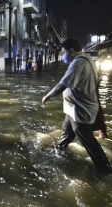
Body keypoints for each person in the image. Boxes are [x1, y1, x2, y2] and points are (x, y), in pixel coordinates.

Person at [42, 38, 112, 174]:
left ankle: (105, 170)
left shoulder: (78, 63)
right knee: (67, 132)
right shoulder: (88, 59)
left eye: (63, 53)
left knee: (88, 141)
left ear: (71, 51)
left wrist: (47, 96)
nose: (62, 56)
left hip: (79, 110)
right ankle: (60, 150)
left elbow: (62, 84)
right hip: (72, 108)